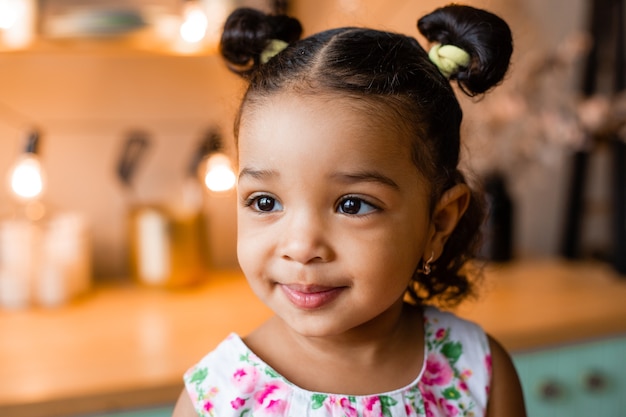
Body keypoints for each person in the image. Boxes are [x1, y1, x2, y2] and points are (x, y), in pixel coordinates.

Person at [173, 3, 526, 416]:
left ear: (439, 221)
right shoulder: (216, 400)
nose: (302, 247)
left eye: (352, 205)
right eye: (265, 202)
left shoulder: (477, 371)